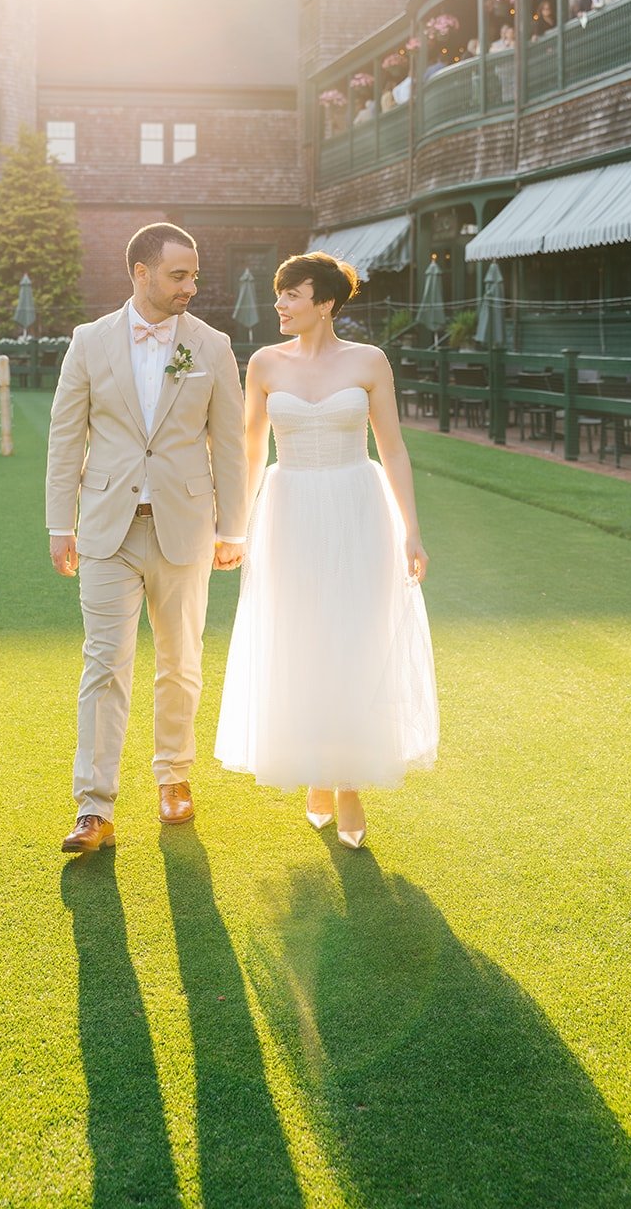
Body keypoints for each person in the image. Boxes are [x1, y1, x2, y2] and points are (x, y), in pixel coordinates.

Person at [214, 252, 438, 849]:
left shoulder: (369, 361)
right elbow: (252, 452)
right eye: (279, 294)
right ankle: (315, 766)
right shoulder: (263, 364)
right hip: (289, 511)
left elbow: (392, 448)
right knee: (301, 637)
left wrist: (412, 529)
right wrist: (234, 529)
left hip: (357, 507)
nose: (280, 304)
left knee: (354, 637)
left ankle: (346, 784)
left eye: (292, 295)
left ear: (325, 303)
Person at [47, 222, 248, 853]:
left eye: (194, 275)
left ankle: (174, 778)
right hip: (107, 529)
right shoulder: (88, 341)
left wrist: (233, 527)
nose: (190, 286)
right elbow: (65, 436)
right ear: (140, 272)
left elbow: (230, 445)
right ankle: (94, 807)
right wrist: (61, 522)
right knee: (104, 664)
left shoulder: (212, 346)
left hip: (185, 527)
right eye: (177, 274)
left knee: (181, 662)